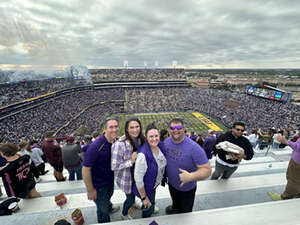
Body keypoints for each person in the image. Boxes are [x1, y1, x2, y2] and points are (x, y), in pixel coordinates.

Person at [164, 118, 211, 214]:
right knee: (175, 202)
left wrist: (191, 176)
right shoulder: (166, 142)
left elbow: (207, 170)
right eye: (172, 128)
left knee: (185, 212)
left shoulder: (194, 148)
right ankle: (175, 207)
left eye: (179, 127)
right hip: (172, 184)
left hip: (187, 189)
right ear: (169, 130)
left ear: (184, 129)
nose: (175, 130)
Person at [82, 117, 120, 223]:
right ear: (105, 129)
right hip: (98, 186)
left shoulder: (114, 141)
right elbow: (85, 169)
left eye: (116, 126)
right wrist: (90, 190)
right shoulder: (96, 146)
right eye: (111, 127)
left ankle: (109, 207)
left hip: (108, 180)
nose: (114, 129)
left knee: (108, 198)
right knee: (102, 210)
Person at [111, 117, 145, 220]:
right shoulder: (119, 144)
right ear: (127, 129)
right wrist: (131, 161)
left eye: (137, 127)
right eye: (132, 127)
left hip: (138, 175)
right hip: (127, 178)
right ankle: (124, 213)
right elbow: (114, 166)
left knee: (137, 192)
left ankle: (134, 203)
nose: (135, 130)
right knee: (129, 199)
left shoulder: (140, 140)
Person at [132, 123, 167, 218]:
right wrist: (144, 198)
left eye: (156, 136)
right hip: (146, 188)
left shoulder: (160, 145)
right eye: (151, 136)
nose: (154, 139)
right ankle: (147, 213)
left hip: (154, 184)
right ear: (146, 137)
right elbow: (138, 179)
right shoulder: (142, 156)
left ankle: (150, 205)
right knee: (148, 210)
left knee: (152, 200)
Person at [267, 133, 300, 200]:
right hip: (297, 160)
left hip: (297, 162)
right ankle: (298, 193)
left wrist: (286, 141)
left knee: (293, 180)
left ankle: (285, 197)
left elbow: (298, 147)